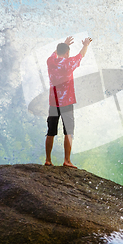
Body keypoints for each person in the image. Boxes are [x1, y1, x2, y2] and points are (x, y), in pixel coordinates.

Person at [45, 35, 92, 168]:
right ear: (67, 53)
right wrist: (86, 45)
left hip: (53, 102)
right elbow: (81, 55)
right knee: (68, 131)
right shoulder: (68, 63)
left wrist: (63, 44)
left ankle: (48, 160)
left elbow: (54, 54)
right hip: (66, 102)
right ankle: (67, 160)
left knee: (50, 131)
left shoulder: (50, 62)